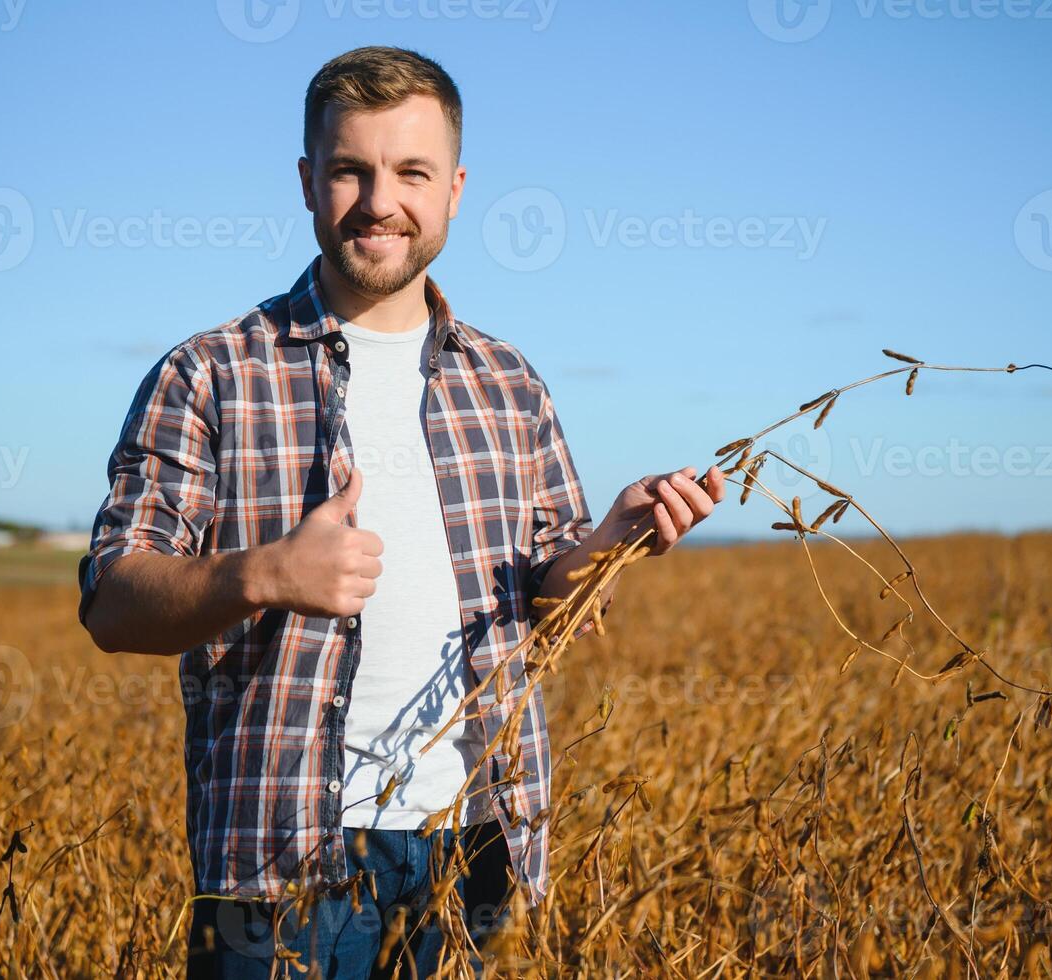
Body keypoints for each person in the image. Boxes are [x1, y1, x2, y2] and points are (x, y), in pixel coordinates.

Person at [78, 45, 725, 979]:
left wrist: (611, 541)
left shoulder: (507, 382)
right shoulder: (208, 373)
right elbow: (111, 604)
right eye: (350, 169)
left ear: (455, 189)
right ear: (307, 182)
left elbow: (548, 612)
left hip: (485, 849)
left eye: (412, 172)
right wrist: (262, 574)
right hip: (278, 864)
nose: (381, 200)